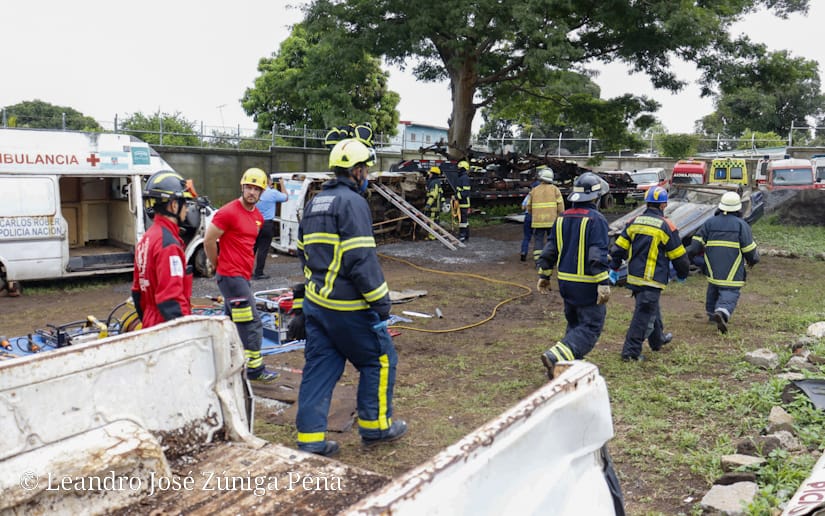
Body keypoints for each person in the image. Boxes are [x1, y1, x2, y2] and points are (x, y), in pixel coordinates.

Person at [295, 138, 406, 457]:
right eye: (366, 169)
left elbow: (302, 254)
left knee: (320, 368)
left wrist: (307, 301)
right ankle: (376, 428)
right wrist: (381, 303)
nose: (367, 174)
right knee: (380, 359)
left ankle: (311, 439)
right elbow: (360, 260)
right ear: (356, 171)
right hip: (349, 308)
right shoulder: (353, 203)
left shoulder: (315, 202)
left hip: (318, 306)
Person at [204, 167, 279, 383]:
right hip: (231, 276)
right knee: (251, 323)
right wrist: (218, 265)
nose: (252, 192)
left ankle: (226, 362)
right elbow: (209, 240)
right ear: (242, 187)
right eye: (249, 187)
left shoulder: (257, 217)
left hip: (242, 277)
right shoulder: (228, 212)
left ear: (262, 192)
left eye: (256, 189)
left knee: (231, 323)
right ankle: (255, 369)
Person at [536, 172, 612, 379]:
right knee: (591, 326)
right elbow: (597, 254)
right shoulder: (597, 220)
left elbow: (550, 249)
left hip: (566, 283)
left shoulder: (562, 218)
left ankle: (565, 366)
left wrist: (544, 275)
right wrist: (603, 283)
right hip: (587, 284)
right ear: (596, 198)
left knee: (575, 323)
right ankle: (555, 357)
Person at [609, 186, 690, 361]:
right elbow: (678, 255)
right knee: (643, 317)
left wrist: (614, 267)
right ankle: (630, 353)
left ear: (647, 203)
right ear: (663, 205)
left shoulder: (633, 222)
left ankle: (657, 339)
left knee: (651, 308)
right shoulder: (666, 226)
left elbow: (619, 248)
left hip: (634, 277)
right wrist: (683, 273)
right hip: (652, 279)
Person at [686, 191, 759, 333]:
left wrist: (682, 258)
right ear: (738, 208)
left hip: (712, 267)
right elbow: (749, 250)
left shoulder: (710, 223)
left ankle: (711, 314)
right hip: (732, 268)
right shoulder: (741, 225)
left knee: (713, 287)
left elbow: (695, 246)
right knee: (730, 290)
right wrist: (754, 260)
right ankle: (722, 311)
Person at [131, 170, 195, 328]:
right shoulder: (169, 245)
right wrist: (185, 332)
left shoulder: (147, 238)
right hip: (167, 327)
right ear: (174, 205)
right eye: (185, 204)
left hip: (150, 323)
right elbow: (171, 299)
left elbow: (137, 292)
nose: (187, 210)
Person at [252, 175, 288, 280]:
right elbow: (286, 197)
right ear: (268, 181)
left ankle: (245, 271)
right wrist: (282, 184)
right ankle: (258, 273)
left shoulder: (255, 193)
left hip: (254, 223)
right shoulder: (272, 193)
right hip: (267, 224)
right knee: (263, 249)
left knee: (252, 249)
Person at [527, 167, 565, 262]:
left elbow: (528, 206)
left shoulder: (534, 190)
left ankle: (538, 260)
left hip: (537, 221)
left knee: (538, 240)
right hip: (551, 221)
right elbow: (560, 206)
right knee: (551, 240)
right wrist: (560, 217)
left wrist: (533, 214)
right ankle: (550, 259)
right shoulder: (555, 189)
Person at [519, 177, 541, 261]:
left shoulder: (529, 195)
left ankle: (523, 252)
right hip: (537, 217)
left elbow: (523, 207)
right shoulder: (541, 197)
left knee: (526, 236)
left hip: (528, 216)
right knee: (538, 237)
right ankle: (538, 255)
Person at [424, 165, 444, 240]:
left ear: (433, 174)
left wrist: (428, 204)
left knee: (432, 221)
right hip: (436, 206)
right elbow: (441, 194)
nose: (429, 175)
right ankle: (435, 235)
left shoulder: (434, 183)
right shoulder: (437, 182)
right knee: (436, 221)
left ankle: (432, 236)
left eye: (430, 173)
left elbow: (433, 195)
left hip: (433, 206)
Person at [455, 160, 471, 242]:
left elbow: (465, 192)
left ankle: (462, 235)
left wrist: (457, 197)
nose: (458, 169)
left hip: (464, 203)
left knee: (463, 220)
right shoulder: (462, 177)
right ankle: (466, 235)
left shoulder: (464, 178)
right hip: (462, 202)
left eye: (459, 168)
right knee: (464, 220)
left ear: (463, 169)